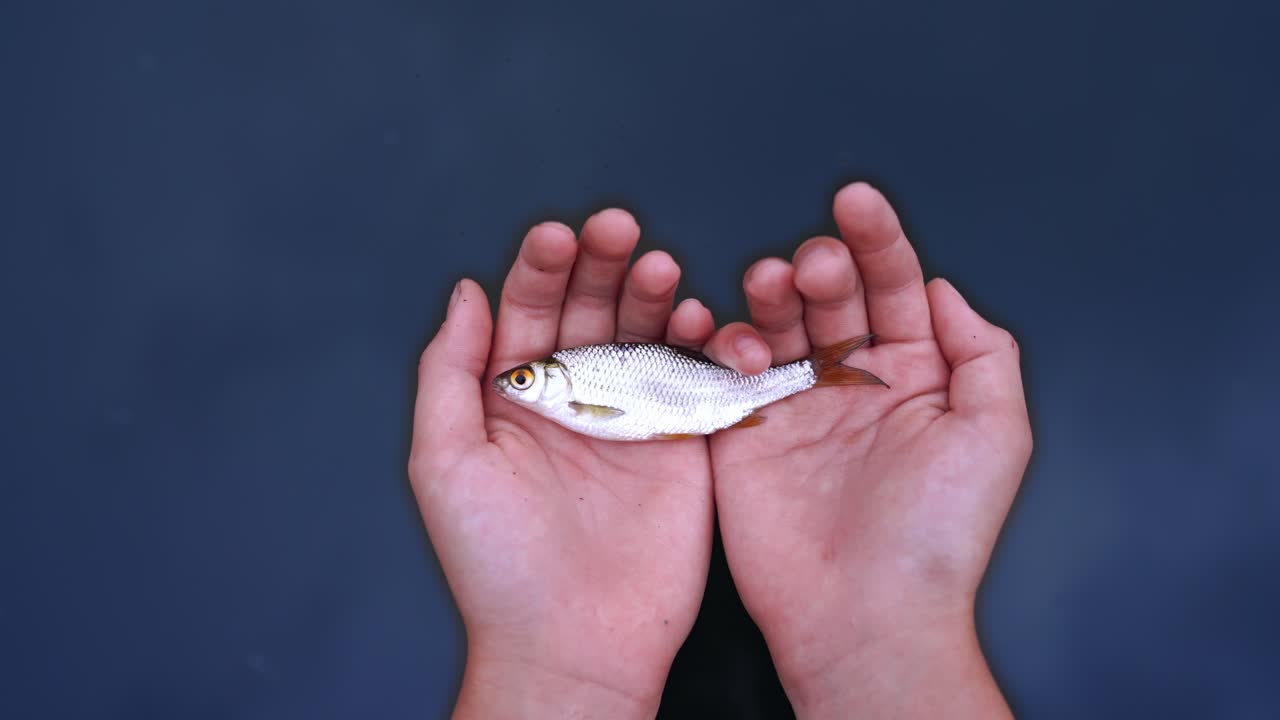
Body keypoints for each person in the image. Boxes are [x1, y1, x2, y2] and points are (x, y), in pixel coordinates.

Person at [408, 181, 1033, 719]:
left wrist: (544, 679)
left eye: (522, 380)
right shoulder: (574, 392)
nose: (516, 386)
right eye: (520, 381)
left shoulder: (571, 387)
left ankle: (817, 371)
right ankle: (819, 371)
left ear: (548, 379)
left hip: (711, 402)